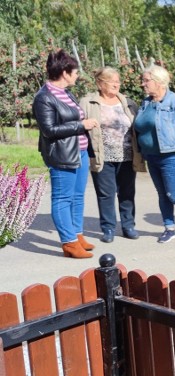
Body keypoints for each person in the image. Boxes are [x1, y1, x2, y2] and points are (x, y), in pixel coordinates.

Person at [33, 49, 99, 258]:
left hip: (79, 151)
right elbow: (49, 130)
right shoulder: (44, 98)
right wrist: (82, 125)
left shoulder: (66, 93)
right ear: (64, 72)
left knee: (78, 196)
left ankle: (77, 235)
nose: (77, 75)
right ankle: (69, 243)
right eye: (75, 72)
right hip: (62, 155)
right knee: (62, 198)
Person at [134, 65, 175, 243]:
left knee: (174, 194)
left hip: (172, 155)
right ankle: (169, 228)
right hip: (151, 155)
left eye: (146, 80)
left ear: (159, 82)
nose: (143, 84)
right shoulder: (146, 103)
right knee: (162, 194)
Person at [81, 67, 145, 243]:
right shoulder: (88, 103)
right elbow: (80, 126)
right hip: (102, 155)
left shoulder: (128, 102)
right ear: (100, 84)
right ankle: (108, 228)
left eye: (118, 81)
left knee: (127, 192)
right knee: (105, 193)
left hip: (127, 155)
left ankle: (128, 226)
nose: (116, 84)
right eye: (112, 81)